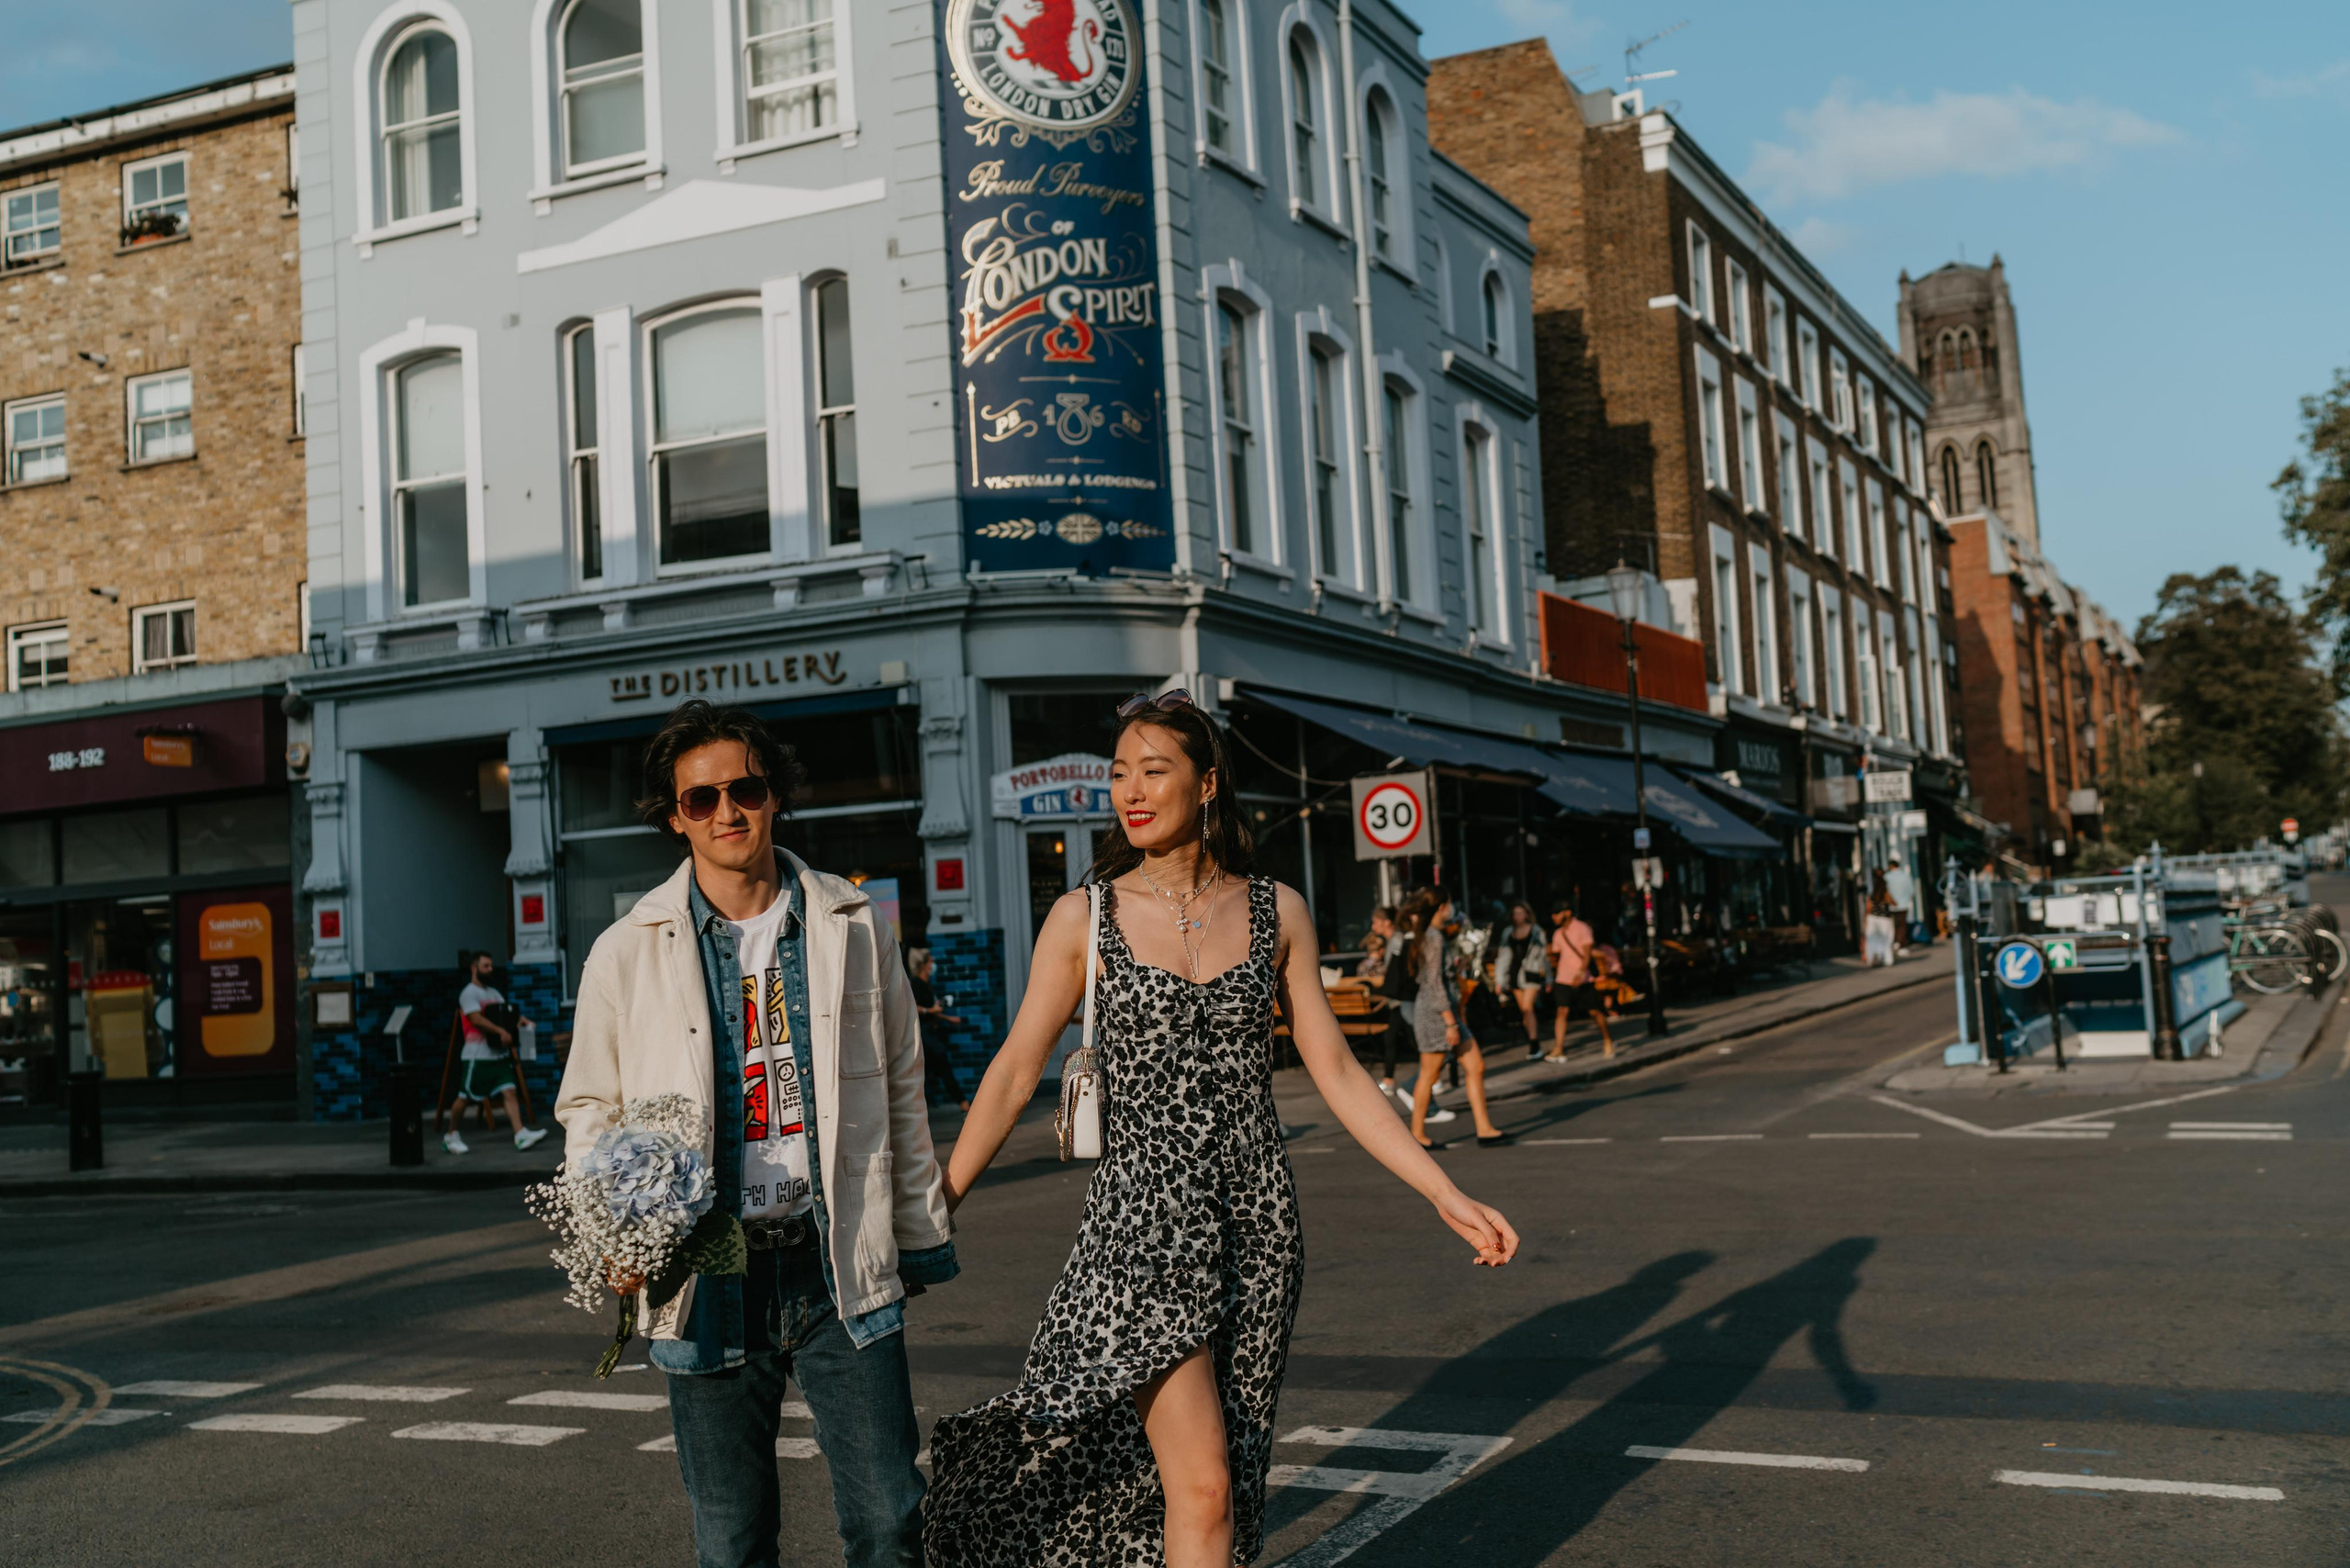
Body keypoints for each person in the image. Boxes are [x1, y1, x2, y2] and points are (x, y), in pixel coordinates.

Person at [923, 691, 1516, 1568]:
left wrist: (1444, 1190)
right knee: (1199, 1485)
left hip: (1258, 1222)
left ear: (1206, 784)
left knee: (1220, 1484)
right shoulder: (1085, 917)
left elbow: (1340, 1072)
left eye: (1154, 770)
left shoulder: (1280, 910)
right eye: (1120, 772)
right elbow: (1014, 1071)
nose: (1130, 789)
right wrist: (939, 1202)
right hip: (1140, 1225)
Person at [555, 700, 957, 1568]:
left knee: (891, 1518)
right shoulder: (626, 950)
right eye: (702, 799)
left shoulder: (851, 924)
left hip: (833, 1252)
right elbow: (590, 1108)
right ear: (675, 818)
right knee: (733, 1540)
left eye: (746, 789)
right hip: (707, 1267)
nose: (727, 811)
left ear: (775, 797)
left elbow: (898, 1085)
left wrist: (917, 1236)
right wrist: (616, 1234)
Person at [1402, 888, 1511, 1149]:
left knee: (1475, 1066)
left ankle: (1484, 1128)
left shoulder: (1432, 936)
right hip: (1437, 1014)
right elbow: (1434, 983)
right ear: (1440, 907)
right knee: (1429, 1074)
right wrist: (1450, 1022)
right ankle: (1416, 1134)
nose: (1452, 908)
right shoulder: (1433, 938)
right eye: (1449, 903)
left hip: (1443, 1011)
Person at [444, 951, 547, 1154]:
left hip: (497, 1055)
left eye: (491, 966)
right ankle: (451, 1135)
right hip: (477, 1056)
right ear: (474, 968)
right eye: (486, 966)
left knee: (509, 1091)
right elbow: (475, 1019)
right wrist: (501, 1031)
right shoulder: (469, 994)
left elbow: (506, 1015)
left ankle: (520, 1134)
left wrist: (521, 1021)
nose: (490, 969)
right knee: (464, 1097)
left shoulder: (494, 993)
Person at [905, 946, 970, 1113]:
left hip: (931, 1033)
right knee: (943, 1068)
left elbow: (932, 1009)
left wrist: (948, 1018)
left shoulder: (927, 985)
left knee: (929, 1074)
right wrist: (931, 1011)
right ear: (924, 965)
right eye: (931, 961)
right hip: (924, 1035)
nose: (934, 964)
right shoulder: (916, 984)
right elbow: (913, 1007)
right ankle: (965, 1106)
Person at [1548, 902, 1614, 1059]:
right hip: (1563, 977)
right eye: (1553, 914)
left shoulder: (1582, 928)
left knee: (1594, 1011)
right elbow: (1556, 955)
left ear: (1568, 912)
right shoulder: (1558, 933)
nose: (1554, 917)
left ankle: (1607, 1039)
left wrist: (1580, 973)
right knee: (1561, 1011)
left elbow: (1587, 954)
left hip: (1583, 978)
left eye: (1557, 913)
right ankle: (1559, 1047)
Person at [1489, 902, 1550, 1060]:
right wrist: (1500, 980)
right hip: (1514, 974)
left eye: (1521, 913)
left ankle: (1534, 1044)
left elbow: (1544, 956)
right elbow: (1502, 957)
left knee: (1527, 1007)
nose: (1518, 917)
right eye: (1515, 913)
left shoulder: (1536, 931)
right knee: (1524, 1010)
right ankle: (1532, 1039)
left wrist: (1549, 978)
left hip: (1531, 973)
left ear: (1527, 914)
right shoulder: (1508, 932)